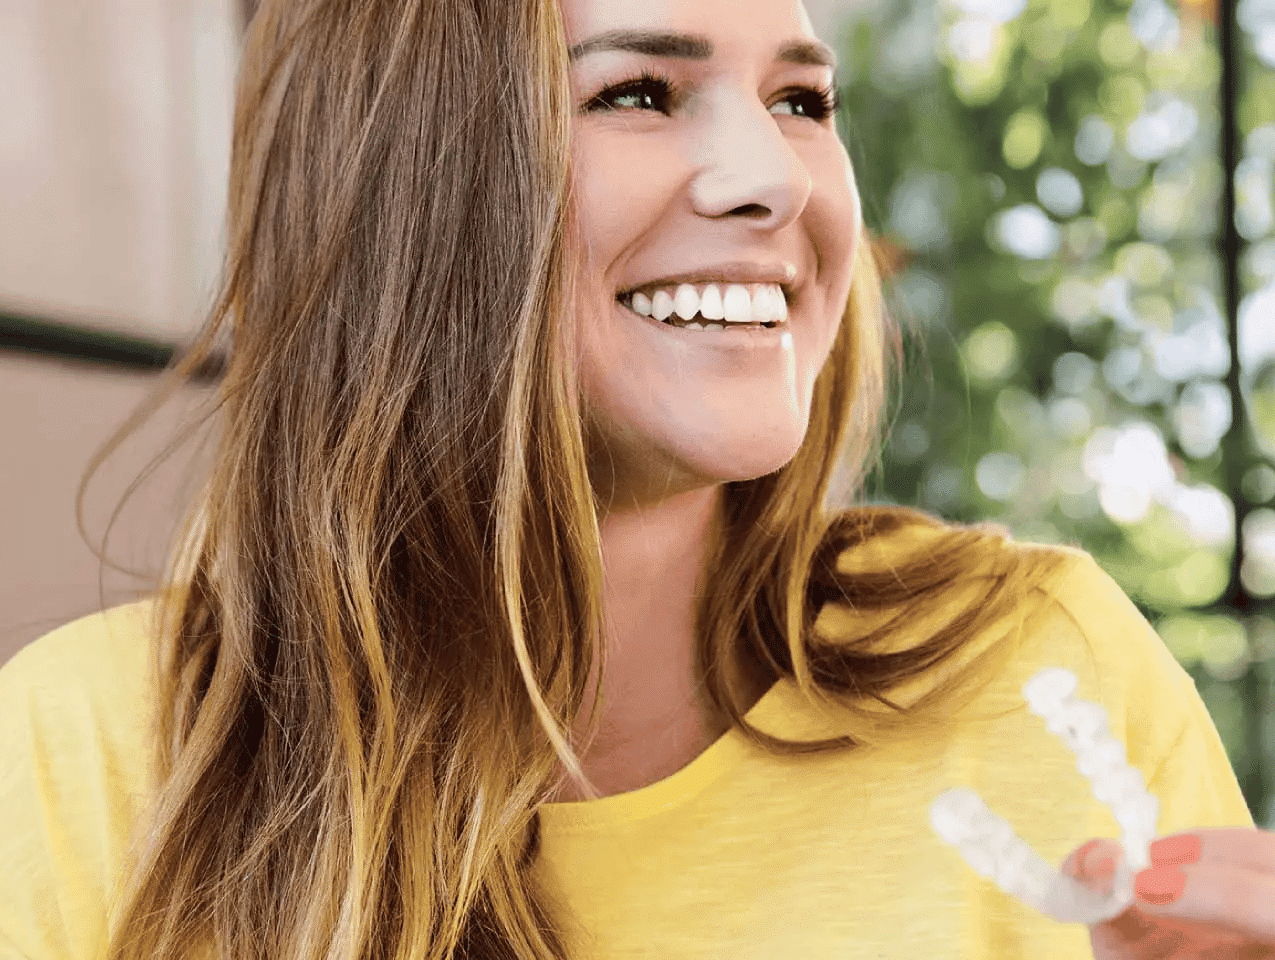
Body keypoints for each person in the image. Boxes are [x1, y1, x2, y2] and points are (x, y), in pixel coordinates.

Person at [0, 0, 1270, 958]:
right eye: (641, 94)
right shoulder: (89, 759)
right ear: (402, 184)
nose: (775, 178)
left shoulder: (1036, 667)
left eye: (802, 103)